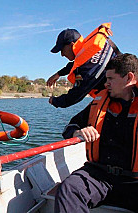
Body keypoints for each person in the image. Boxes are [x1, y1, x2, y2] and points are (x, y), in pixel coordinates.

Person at [55, 53, 138, 212]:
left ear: (129, 78)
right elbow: (69, 127)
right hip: (99, 175)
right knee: (69, 189)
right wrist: (78, 132)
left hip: (134, 181)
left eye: (110, 79)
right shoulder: (100, 102)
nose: (106, 83)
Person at [47, 23, 121, 108]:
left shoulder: (87, 70)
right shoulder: (99, 45)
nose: (62, 54)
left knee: (77, 120)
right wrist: (59, 73)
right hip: (126, 84)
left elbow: (74, 97)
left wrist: (54, 101)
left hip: (125, 100)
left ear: (71, 45)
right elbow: (79, 62)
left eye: (62, 50)